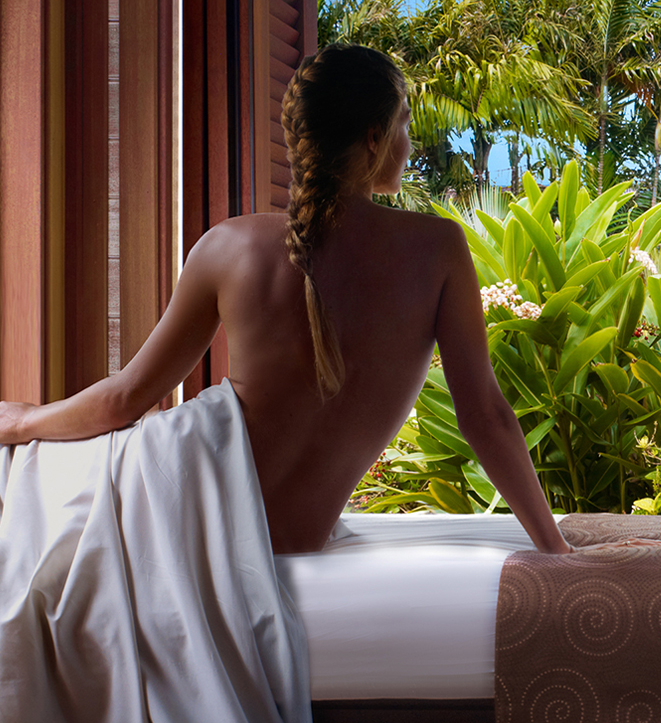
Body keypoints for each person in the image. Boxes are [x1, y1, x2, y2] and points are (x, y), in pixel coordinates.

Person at [0, 44, 572, 556]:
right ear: (373, 138)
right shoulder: (437, 249)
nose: (408, 142)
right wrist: (557, 550)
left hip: (167, 505)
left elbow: (126, 399)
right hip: (230, 522)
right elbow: (486, 416)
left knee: (24, 483)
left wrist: (27, 421)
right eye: (402, 124)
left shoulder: (229, 246)